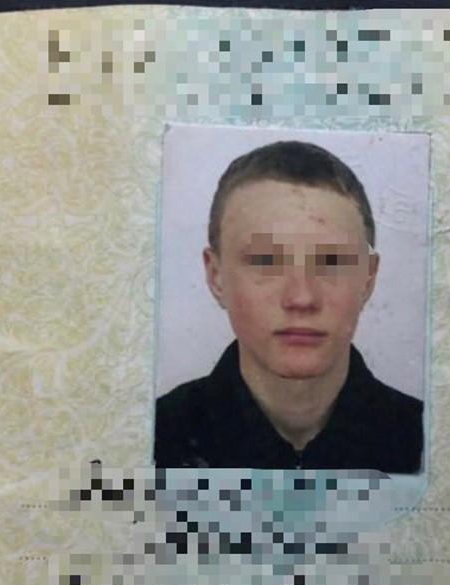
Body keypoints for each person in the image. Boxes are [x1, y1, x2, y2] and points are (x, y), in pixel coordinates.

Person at [154, 140, 424, 472]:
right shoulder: (146, 441)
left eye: (332, 262)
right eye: (266, 261)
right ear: (216, 276)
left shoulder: (434, 442)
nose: (301, 298)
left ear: (368, 278)